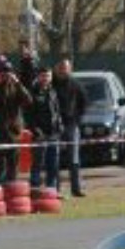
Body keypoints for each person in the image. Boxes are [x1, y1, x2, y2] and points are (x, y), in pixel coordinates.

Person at [51, 58, 89, 196]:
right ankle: (55, 189)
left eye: (65, 68)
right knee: (54, 159)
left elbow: (84, 103)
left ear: (70, 69)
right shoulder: (51, 85)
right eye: (60, 67)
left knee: (74, 159)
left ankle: (76, 189)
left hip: (72, 125)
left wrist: (76, 120)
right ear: (56, 69)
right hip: (54, 127)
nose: (63, 70)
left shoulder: (76, 85)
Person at [24, 66, 63, 191]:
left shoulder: (53, 91)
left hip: (53, 134)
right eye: (43, 76)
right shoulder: (32, 92)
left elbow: (57, 110)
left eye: (48, 76)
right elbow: (28, 115)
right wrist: (36, 130)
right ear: (38, 77)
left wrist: (59, 125)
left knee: (53, 163)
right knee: (38, 163)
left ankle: (52, 190)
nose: (46, 78)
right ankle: (35, 188)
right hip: (39, 135)